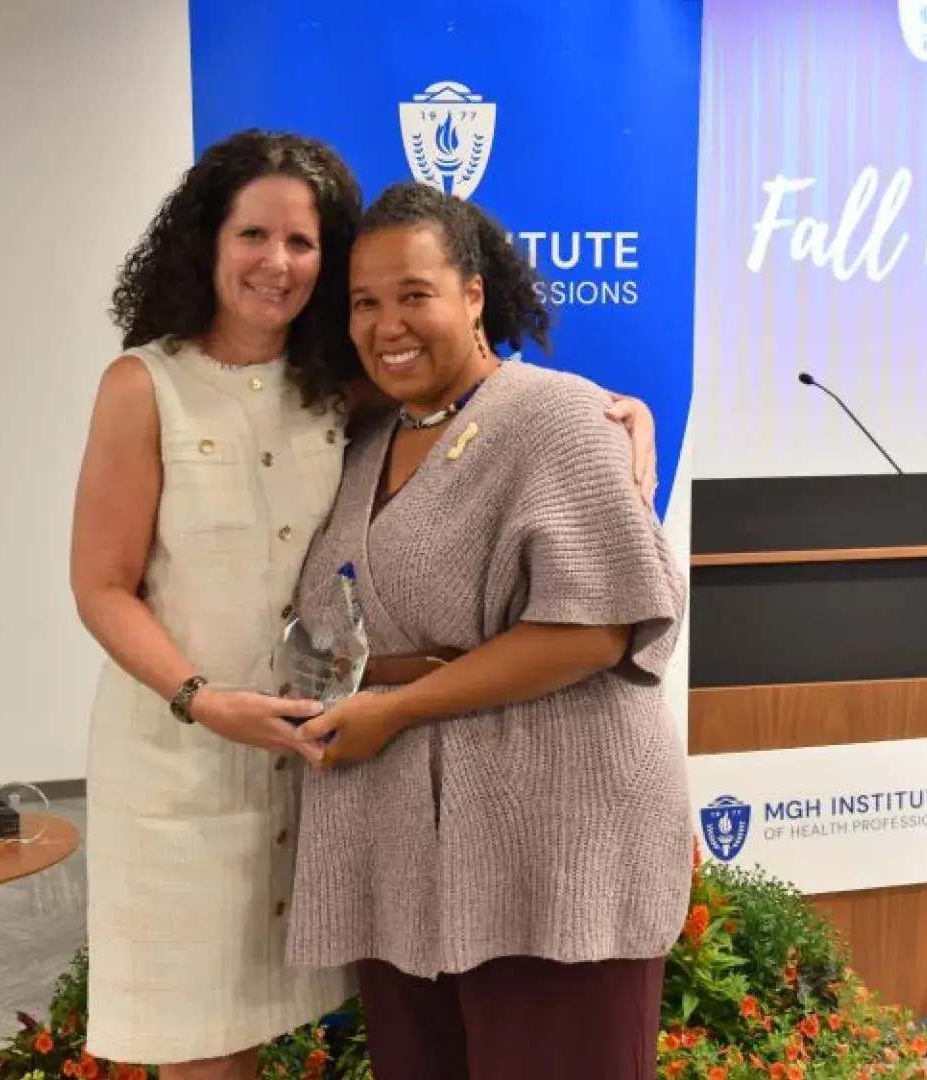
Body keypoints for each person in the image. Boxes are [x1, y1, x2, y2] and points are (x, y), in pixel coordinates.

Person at [68, 132, 663, 1080]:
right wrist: (205, 697)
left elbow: (500, 418)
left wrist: (613, 406)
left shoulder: (349, 398)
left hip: (404, 796)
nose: (277, 262)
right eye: (252, 234)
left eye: (303, 244)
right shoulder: (184, 390)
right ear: (206, 242)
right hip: (206, 762)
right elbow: (100, 582)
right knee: (199, 1051)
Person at [282, 180, 694, 1080]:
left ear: (474, 295)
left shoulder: (559, 418)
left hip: (553, 831)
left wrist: (395, 709)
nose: (389, 323)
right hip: (403, 843)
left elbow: (596, 630)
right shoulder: (364, 440)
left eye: (415, 295)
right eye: (365, 302)